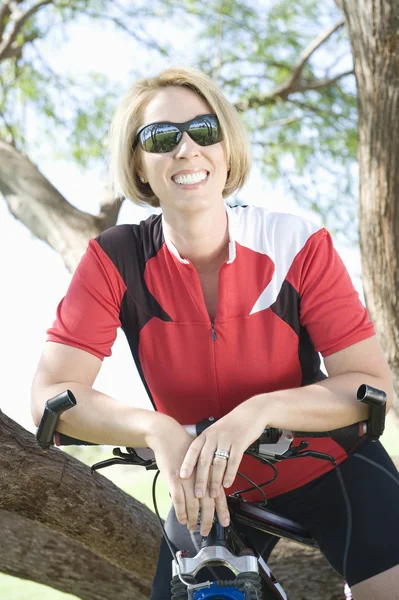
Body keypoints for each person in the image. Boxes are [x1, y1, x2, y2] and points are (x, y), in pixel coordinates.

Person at [31, 66, 399, 599]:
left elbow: (370, 384)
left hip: (332, 465)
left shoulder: (294, 241)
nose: (187, 149)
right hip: (205, 489)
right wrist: (159, 431)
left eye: (204, 130)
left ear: (226, 146)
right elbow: (51, 398)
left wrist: (257, 412)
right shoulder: (113, 257)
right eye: (161, 137)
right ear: (138, 162)